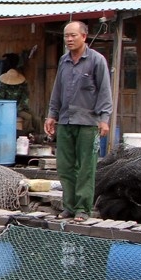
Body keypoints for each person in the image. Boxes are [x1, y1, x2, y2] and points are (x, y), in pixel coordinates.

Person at [45, 21, 112, 221]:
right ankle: (69, 206)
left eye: (73, 35)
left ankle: (83, 209)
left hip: (88, 122)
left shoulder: (97, 60)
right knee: (65, 166)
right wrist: (51, 115)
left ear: (84, 36)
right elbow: (58, 89)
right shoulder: (64, 61)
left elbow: (105, 92)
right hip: (65, 121)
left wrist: (104, 119)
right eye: (66, 36)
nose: (69, 39)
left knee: (86, 167)